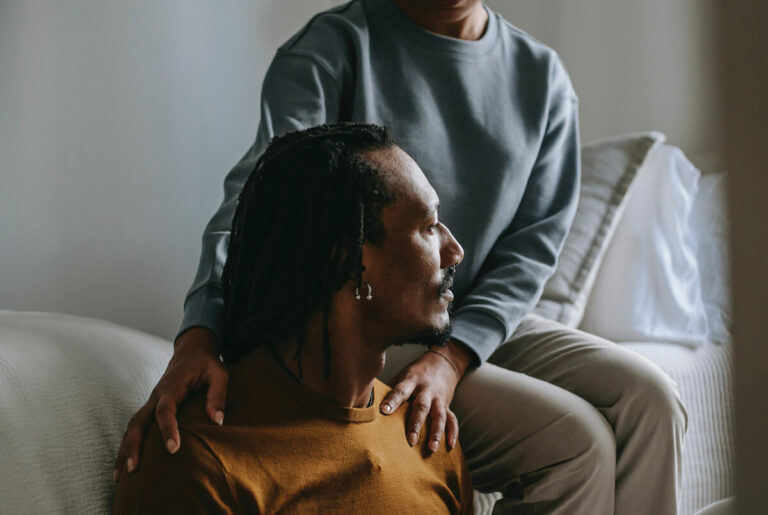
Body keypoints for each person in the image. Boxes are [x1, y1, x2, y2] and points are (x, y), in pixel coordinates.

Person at [114, 0, 687, 513]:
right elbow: (261, 201)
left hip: (473, 315)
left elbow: (533, 245)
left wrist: (455, 357)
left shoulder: (544, 79)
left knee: (650, 399)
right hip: (378, 317)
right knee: (575, 443)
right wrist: (200, 335)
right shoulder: (333, 48)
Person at [113, 123, 473, 514]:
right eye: (428, 227)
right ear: (351, 261)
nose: (454, 252)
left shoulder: (431, 437)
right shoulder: (195, 460)